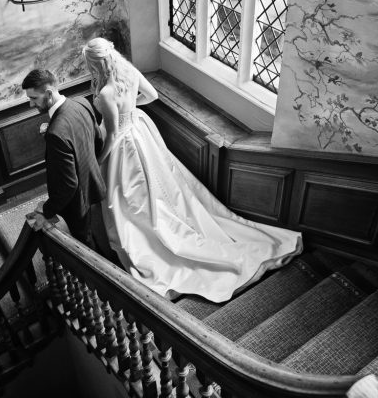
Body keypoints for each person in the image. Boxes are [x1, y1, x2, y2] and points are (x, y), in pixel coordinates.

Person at [83, 37, 303, 303]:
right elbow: (151, 96)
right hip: (140, 131)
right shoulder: (129, 71)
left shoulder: (106, 93)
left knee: (129, 198)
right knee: (155, 187)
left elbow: (113, 134)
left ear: (96, 63)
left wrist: (97, 160)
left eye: (89, 65)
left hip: (123, 143)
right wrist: (130, 111)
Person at [21, 69, 109, 253]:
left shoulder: (56, 134)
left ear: (48, 93)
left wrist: (46, 209)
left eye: (34, 98)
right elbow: (98, 141)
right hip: (93, 183)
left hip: (77, 202)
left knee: (85, 244)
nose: (30, 104)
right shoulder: (81, 103)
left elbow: (68, 184)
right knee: (100, 231)